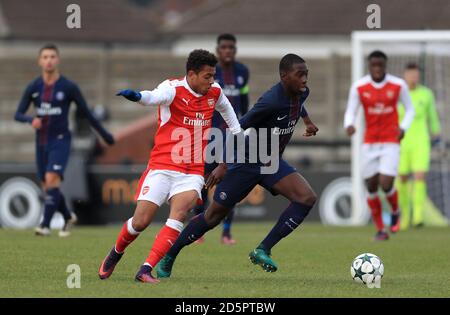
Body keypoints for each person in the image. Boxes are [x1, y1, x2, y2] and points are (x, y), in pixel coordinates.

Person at [156, 53, 319, 278]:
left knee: (306, 198)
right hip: (246, 161)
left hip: (270, 160)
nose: (304, 79)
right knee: (213, 217)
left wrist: (308, 122)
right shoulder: (270, 101)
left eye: (306, 74)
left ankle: (263, 249)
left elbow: (299, 105)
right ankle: (169, 254)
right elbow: (237, 127)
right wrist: (224, 164)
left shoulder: (302, 92)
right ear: (284, 76)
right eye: (299, 75)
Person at [98, 49, 242, 284]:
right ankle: (116, 252)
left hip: (193, 171)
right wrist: (136, 96)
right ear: (192, 74)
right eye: (207, 76)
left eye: (213, 76)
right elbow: (152, 97)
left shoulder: (215, 93)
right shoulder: (172, 89)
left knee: (179, 214)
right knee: (140, 222)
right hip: (163, 165)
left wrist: (235, 145)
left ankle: (146, 269)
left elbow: (231, 118)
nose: (212, 81)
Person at [14, 43, 115, 237]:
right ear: (39, 61)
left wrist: (104, 135)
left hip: (61, 140)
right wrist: (30, 119)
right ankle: (68, 216)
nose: (49, 60)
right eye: (45, 57)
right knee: (48, 186)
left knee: (52, 179)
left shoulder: (68, 87)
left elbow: (86, 112)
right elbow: (18, 114)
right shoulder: (34, 87)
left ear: (57, 60)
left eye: (52, 57)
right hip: (41, 141)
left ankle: (44, 224)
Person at [343, 50, 415, 241]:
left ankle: (395, 210)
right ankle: (381, 230)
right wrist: (348, 124)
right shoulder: (359, 87)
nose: (377, 68)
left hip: (391, 141)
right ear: (369, 66)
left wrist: (403, 128)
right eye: (373, 65)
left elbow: (410, 109)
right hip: (369, 142)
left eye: (380, 65)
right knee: (372, 186)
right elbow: (350, 111)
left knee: (385, 183)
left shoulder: (398, 85)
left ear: (385, 65)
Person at [192, 33, 250, 245]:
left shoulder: (242, 72)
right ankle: (199, 229)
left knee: (230, 183)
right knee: (204, 182)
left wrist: (242, 129)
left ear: (235, 50)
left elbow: (244, 103)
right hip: (209, 134)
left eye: (231, 48)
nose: (228, 51)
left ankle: (226, 232)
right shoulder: (209, 73)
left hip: (231, 136)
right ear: (218, 50)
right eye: (224, 47)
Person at [397, 62, 441, 229]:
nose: (414, 77)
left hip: (421, 142)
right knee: (402, 178)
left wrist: (436, 133)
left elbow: (432, 116)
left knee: (419, 177)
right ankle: (404, 216)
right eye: (411, 74)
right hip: (402, 142)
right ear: (405, 75)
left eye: (416, 75)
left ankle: (417, 216)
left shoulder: (426, 94)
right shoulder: (399, 94)